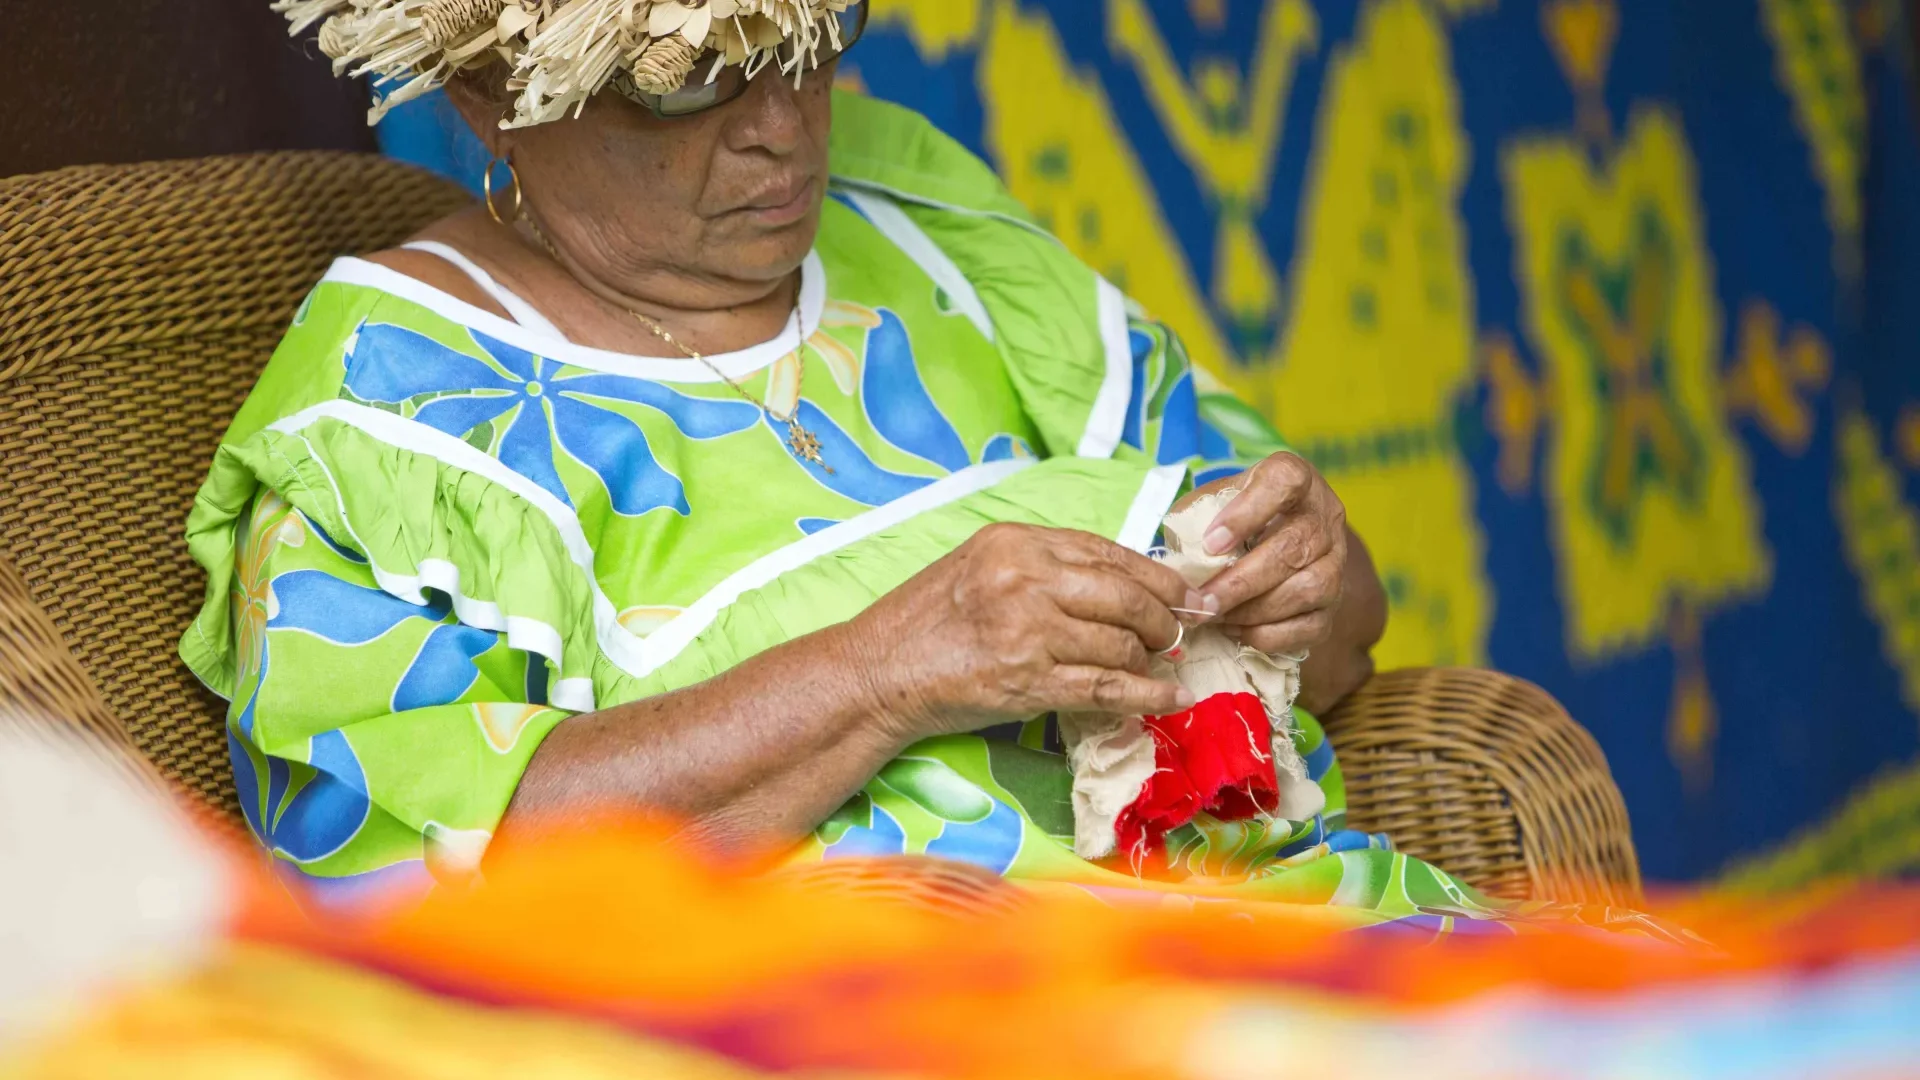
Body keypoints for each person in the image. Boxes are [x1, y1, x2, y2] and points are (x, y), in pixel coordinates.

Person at [181, 0, 1518, 926]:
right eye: (694, 75)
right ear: (493, 89)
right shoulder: (386, 422)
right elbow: (406, 892)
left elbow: (1339, 651)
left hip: (1303, 955)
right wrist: (882, 672)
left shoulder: (929, 228)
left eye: (815, 41)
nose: (786, 128)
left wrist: (1312, 580)